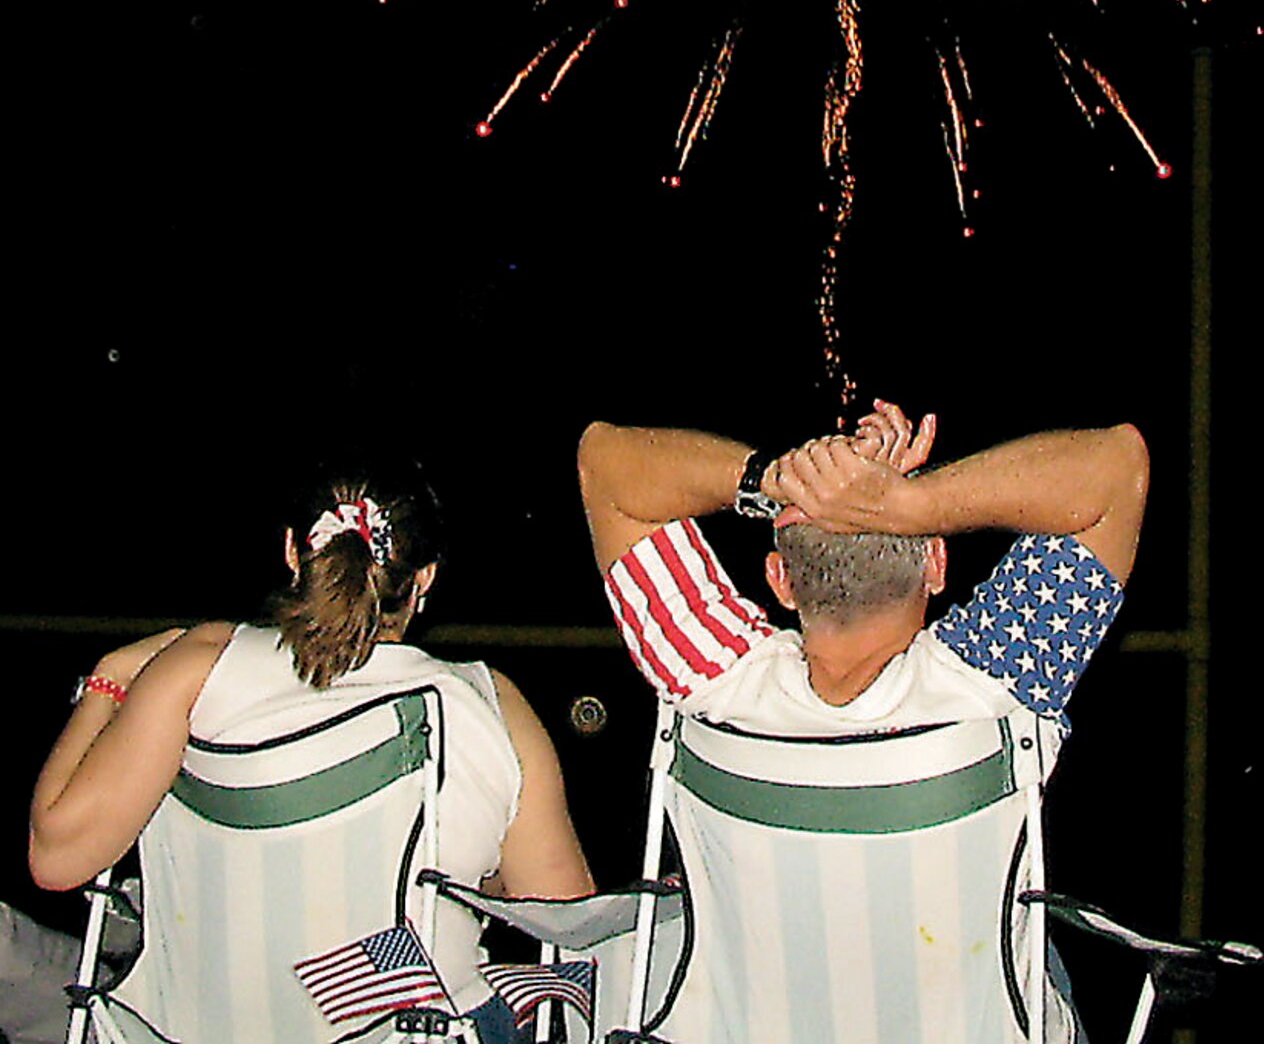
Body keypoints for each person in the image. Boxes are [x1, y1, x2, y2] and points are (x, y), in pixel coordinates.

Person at [578, 402, 1148, 1039]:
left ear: (779, 580)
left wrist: (782, 479)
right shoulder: (996, 677)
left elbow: (605, 462)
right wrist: (912, 502)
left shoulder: (709, 673)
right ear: (937, 563)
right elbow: (1116, 465)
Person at [30, 461, 593, 1043]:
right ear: (423, 579)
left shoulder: (201, 669)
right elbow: (570, 923)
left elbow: (56, 857)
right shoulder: (484, 704)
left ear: (294, 554)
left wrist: (107, 679)